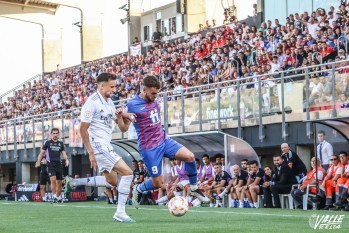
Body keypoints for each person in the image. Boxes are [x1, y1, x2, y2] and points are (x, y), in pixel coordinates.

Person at [118, 75, 209, 209]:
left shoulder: (154, 101)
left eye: (157, 93)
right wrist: (121, 116)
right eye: (153, 93)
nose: (155, 96)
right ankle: (139, 188)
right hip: (149, 148)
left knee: (190, 157)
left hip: (164, 140)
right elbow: (123, 128)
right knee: (157, 183)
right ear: (144, 89)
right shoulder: (133, 104)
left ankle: (194, 188)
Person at [79, 72, 136, 222]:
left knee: (113, 182)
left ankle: (76, 182)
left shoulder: (110, 102)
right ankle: (121, 212)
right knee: (128, 173)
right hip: (98, 145)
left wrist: (124, 117)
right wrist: (90, 152)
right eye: (111, 87)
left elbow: (123, 129)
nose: (114, 89)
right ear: (102, 85)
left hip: (106, 145)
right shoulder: (91, 102)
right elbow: (82, 129)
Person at [35, 128, 69, 203]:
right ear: (51, 134)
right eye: (54, 133)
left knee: (59, 182)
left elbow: (63, 153)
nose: (55, 135)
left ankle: (58, 197)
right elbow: (41, 153)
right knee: (53, 180)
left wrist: (66, 160)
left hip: (59, 165)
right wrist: (38, 161)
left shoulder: (61, 143)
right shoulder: (47, 143)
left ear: (58, 134)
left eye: (57, 133)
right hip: (50, 165)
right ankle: (54, 196)